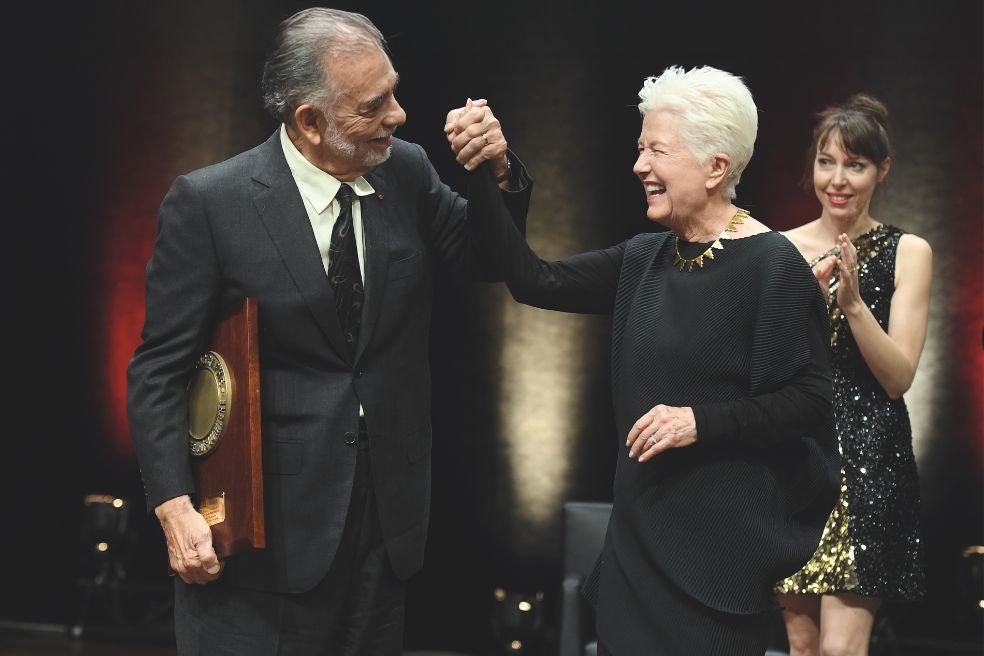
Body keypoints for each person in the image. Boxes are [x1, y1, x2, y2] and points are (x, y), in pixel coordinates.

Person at [126, 7, 530, 655]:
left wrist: (499, 172)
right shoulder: (212, 203)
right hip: (262, 540)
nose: (398, 115)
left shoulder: (407, 170)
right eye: (373, 106)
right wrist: (173, 504)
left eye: (393, 91)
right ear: (309, 120)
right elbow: (158, 371)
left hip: (385, 526)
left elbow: (489, 259)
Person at [447, 65, 840, 656]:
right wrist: (491, 169)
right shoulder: (645, 258)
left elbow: (809, 402)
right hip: (638, 549)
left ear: (715, 167)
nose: (638, 166)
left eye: (657, 150)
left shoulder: (774, 266)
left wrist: (700, 421)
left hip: (718, 558)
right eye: (640, 149)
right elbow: (533, 280)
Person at [775, 94, 932, 656]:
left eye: (855, 165)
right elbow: (767, 368)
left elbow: (898, 377)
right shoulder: (780, 251)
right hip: (796, 454)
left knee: (841, 650)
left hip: (871, 460)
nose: (837, 180)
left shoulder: (907, 251)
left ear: (882, 170)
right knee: (803, 647)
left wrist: (854, 305)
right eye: (827, 162)